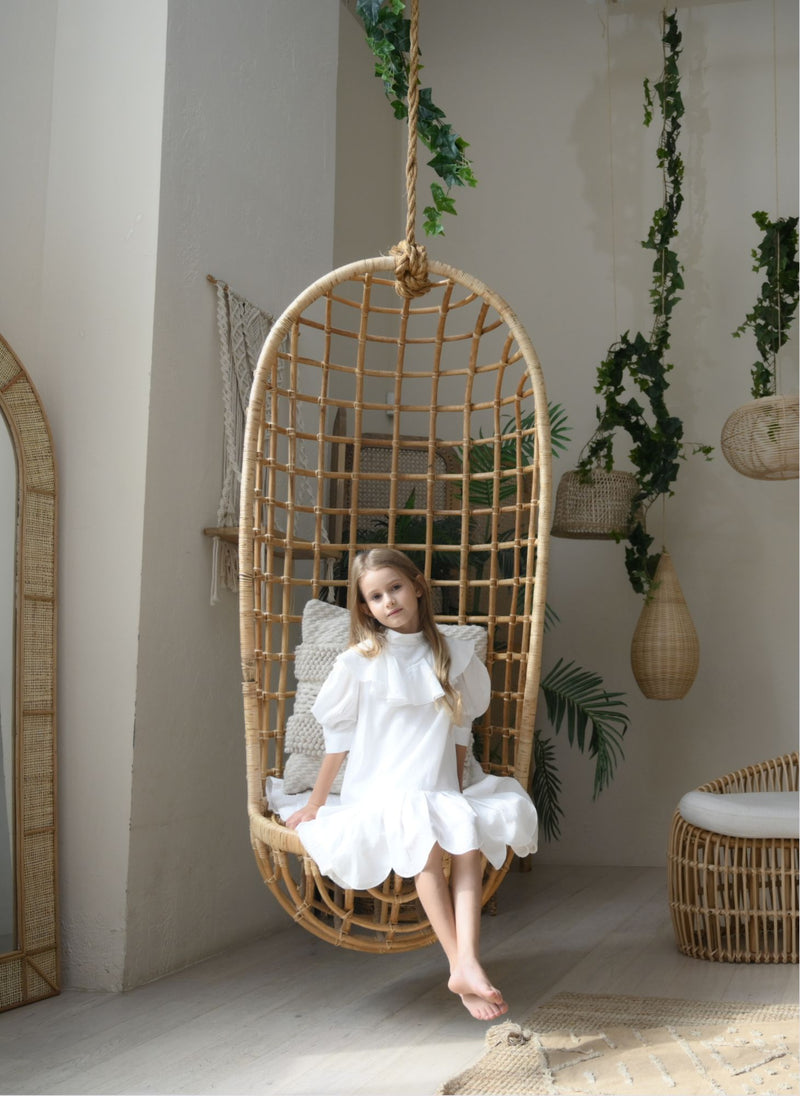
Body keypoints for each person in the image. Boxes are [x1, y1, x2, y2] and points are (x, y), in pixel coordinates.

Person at [281, 548, 538, 1020]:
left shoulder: (454, 655)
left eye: (395, 588)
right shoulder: (361, 661)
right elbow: (338, 739)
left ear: (417, 586)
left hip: (435, 784)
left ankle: (467, 963)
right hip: (383, 788)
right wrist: (316, 802)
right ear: (366, 609)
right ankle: (459, 962)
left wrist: (456, 789)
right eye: (375, 597)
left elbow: (460, 729)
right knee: (427, 847)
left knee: (466, 841)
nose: (389, 601)